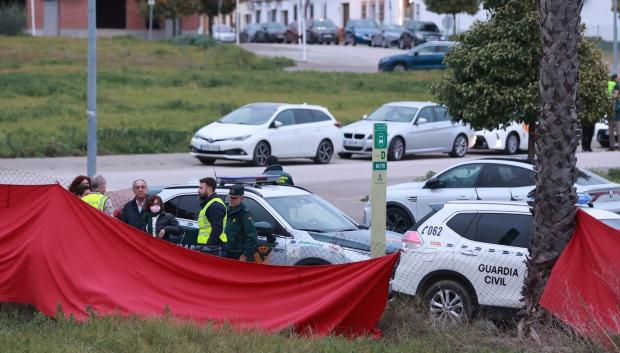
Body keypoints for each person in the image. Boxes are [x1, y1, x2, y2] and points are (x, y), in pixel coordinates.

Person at [224, 184, 258, 262]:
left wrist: (245, 255)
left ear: (242, 198)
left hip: (237, 254)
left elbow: (251, 236)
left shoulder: (245, 214)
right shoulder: (226, 210)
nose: (231, 200)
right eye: (230, 197)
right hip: (226, 252)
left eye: (234, 198)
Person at [197, 177, 228, 253]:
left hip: (214, 249)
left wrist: (208, 247)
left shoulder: (215, 205)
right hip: (210, 247)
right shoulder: (209, 204)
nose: (198, 191)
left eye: (201, 188)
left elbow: (217, 229)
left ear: (209, 189)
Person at [612, 84, 620, 151]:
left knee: (619, 133)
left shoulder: (619, 99)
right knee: (611, 133)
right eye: (614, 91)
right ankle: (612, 146)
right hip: (611, 118)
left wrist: (614, 108)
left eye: (616, 91)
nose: (615, 93)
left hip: (618, 118)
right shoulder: (611, 98)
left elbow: (618, 108)